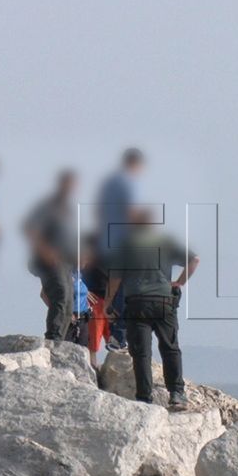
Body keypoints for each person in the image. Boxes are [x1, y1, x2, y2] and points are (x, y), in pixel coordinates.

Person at [104, 209, 199, 408]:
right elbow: (194, 260)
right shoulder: (166, 242)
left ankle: (145, 398)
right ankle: (177, 394)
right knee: (170, 347)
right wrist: (179, 282)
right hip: (164, 301)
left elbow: (116, 277)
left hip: (136, 302)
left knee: (141, 353)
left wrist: (108, 303)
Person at [95, 148, 145, 352]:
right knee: (124, 288)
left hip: (108, 241)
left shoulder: (110, 183)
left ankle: (116, 334)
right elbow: (130, 212)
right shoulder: (126, 183)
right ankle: (119, 336)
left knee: (113, 287)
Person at [23, 170, 77, 341]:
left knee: (69, 301)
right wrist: (44, 250)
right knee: (60, 294)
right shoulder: (48, 206)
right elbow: (30, 228)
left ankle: (59, 339)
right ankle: (53, 338)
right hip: (49, 260)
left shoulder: (67, 209)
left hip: (65, 260)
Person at [79, 235, 110, 369]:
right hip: (95, 299)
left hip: (110, 299)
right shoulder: (84, 257)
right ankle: (92, 366)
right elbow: (74, 274)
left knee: (114, 336)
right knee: (93, 337)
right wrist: (84, 291)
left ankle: (113, 366)